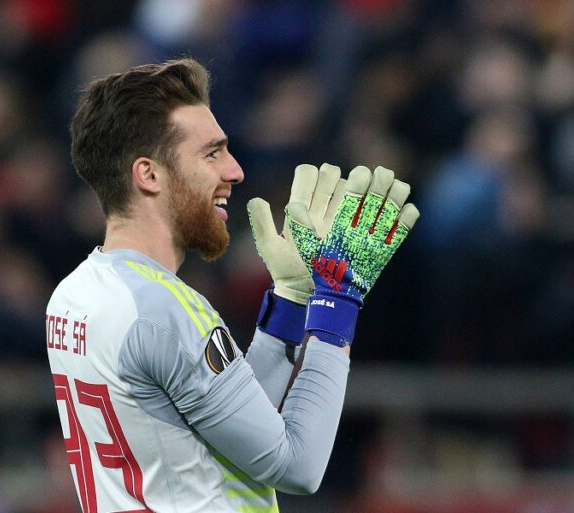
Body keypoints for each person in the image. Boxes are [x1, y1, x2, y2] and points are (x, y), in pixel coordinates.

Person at [46, 58, 419, 513]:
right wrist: (337, 306)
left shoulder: (73, 293)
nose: (235, 170)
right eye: (211, 154)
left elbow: (233, 423)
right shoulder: (165, 310)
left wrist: (292, 300)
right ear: (149, 175)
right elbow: (297, 466)